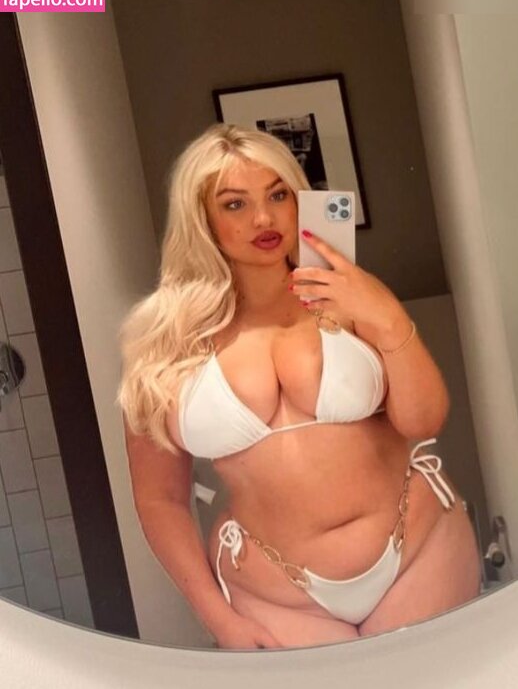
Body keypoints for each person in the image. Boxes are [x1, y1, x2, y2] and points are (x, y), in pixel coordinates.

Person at [119, 124, 480, 650]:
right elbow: (160, 499)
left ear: (298, 201)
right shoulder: (163, 343)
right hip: (273, 594)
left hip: (418, 552)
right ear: (202, 219)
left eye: (278, 195)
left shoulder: (351, 296)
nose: (263, 219)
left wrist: (387, 318)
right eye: (235, 204)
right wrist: (218, 619)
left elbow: (424, 421)